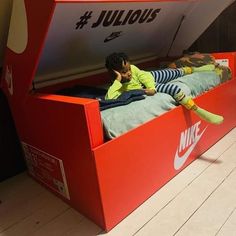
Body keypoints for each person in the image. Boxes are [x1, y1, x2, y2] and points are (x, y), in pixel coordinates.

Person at [104, 52, 224, 125]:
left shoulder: (134, 69)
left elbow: (144, 76)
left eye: (129, 69)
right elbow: (109, 98)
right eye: (123, 72)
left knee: (173, 73)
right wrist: (118, 80)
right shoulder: (117, 85)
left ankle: (196, 69)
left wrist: (151, 88)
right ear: (115, 74)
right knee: (173, 89)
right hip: (144, 87)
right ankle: (200, 112)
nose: (129, 73)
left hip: (149, 79)